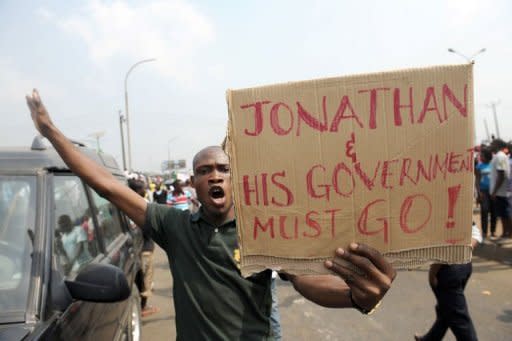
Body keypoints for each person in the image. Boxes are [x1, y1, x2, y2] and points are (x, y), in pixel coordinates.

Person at [27, 89, 396, 339]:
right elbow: (107, 185)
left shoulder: (261, 230)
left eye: (223, 168)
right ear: (193, 182)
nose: (215, 175)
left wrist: (354, 298)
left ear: (236, 178)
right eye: (205, 171)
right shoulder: (173, 226)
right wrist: (50, 131)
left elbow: (302, 281)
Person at [414, 223, 482, 341]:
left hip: (448, 271)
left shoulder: (443, 212)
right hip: (464, 266)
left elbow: (444, 248)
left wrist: (432, 274)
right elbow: (476, 232)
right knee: (447, 308)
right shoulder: (460, 209)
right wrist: (463, 250)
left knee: (458, 317)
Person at [128, 178, 159, 317]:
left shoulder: (126, 204)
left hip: (138, 248)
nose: (145, 191)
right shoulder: (141, 206)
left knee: (142, 277)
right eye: (143, 188)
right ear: (136, 191)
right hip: (144, 248)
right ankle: (143, 307)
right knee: (145, 278)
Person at [489, 139, 512, 240]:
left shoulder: (500, 156)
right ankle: (505, 233)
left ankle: (507, 233)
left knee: (505, 214)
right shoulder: (500, 156)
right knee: (503, 214)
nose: (491, 146)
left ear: (497, 145)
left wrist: (494, 191)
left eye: (492, 144)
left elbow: (502, 174)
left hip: (501, 192)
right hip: (501, 191)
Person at [475, 147, 496, 239]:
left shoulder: (493, 165)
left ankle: (492, 232)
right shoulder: (479, 166)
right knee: (484, 211)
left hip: (493, 192)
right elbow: (477, 180)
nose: (480, 157)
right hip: (483, 192)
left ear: (487, 156)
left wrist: (495, 191)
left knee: (494, 212)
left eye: (482, 155)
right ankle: (484, 232)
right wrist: (478, 192)